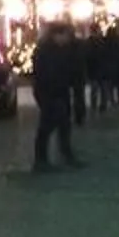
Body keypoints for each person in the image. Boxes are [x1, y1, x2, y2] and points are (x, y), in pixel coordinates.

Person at [31, 22, 83, 171]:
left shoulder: (64, 50)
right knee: (47, 125)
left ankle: (64, 154)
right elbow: (43, 74)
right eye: (65, 35)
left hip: (60, 91)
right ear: (56, 36)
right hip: (48, 92)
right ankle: (41, 160)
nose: (67, 39)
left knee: (64, 124)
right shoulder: (45, 51)